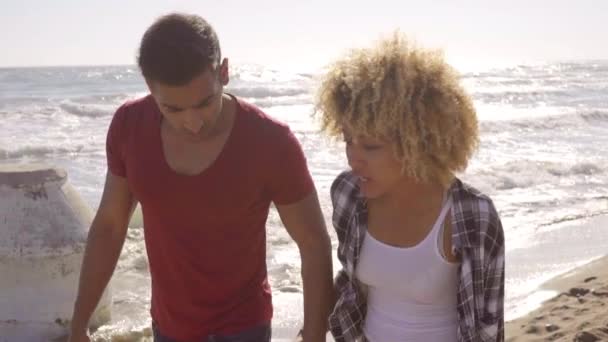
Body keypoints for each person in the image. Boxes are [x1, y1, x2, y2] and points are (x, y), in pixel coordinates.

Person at [68, 13, 333, 342]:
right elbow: (110, 225)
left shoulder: (271, 142)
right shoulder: (129, 127)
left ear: (224, 72)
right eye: (173, 110)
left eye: (205, 103)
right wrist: (79, 322)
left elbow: (313, 243)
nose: (193, 123)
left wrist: (315, 334)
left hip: (243, 328)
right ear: (149, 87)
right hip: (167, 327)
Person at [315, 34, 505, 341]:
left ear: (417, 143)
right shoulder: (348, 194)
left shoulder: (472, 216)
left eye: (371, 146)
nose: (354, 158)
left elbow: (487, 326)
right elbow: (350, 285)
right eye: (348, 140)